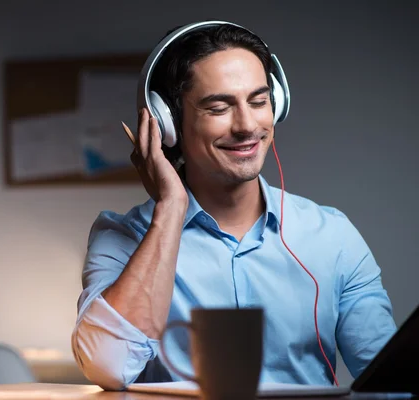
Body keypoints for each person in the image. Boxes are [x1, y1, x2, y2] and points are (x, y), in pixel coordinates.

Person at [70, 20, 397, 391]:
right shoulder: (121, 238)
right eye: (219, 107)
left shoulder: (332, 235)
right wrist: (171, 207)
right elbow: (108, 366)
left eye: (258, 102)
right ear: (169, 124)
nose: (246, 125)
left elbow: (391, 379)